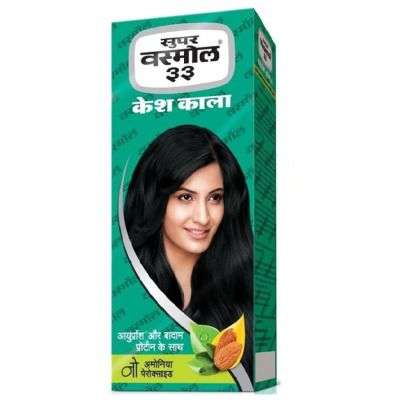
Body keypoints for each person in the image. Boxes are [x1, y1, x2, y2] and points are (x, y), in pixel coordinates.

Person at [124, 124, 253, 380]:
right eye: (185, 197)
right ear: (154, 199)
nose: (203, 217)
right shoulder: (127, 292)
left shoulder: (241, 295)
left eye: (215, 198)